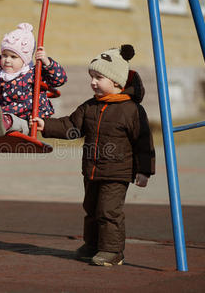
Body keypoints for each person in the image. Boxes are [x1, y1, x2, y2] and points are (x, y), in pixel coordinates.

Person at [31, 45, 155, 266]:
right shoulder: (90, 106)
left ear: (116, 81)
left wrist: (144, 170)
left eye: (98, 77)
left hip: (117, 172)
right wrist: (45, 125)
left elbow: (143, 142)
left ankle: (112, 251)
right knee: (91, 210)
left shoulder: (131, 110)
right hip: (91, 169)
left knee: (108, 212)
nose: (93, 82)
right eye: (92, 76)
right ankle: (92, 244)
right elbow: (71, 125)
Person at [0, 23, 67, 137]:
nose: (7, 60)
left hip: (25, 119)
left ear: (25, 60)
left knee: (10, 120)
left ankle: (0, 124)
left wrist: (47, 62)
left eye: (13, 57)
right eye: (4, 55)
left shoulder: (33, 73)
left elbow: (59, 79)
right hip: (1, 113)